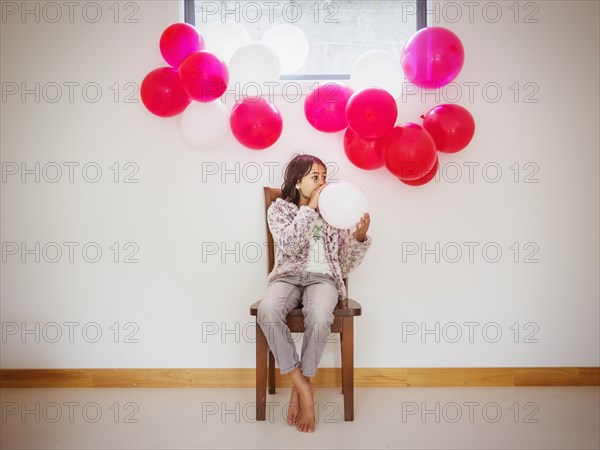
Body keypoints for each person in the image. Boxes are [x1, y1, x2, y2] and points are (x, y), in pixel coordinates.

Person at [257, 153, 372, 432]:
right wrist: (309, 208)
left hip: (324, 278)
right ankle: (304, 385)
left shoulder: (334, 212)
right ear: (298, 182)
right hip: (287, 277)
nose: (322, 182)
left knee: (320, 315)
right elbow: (289, 244)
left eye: (324, 176)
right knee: (268, 311)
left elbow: (344, 264)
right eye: (315, 177)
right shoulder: (280, 209)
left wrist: (358, 240)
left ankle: (300, 390)